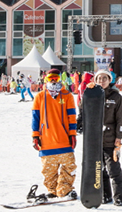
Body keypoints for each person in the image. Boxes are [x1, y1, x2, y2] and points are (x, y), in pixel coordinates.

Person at [31, 69, 78, 200]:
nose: (53, 80)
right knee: (48, 170)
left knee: (69, 166)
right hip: (46, 140)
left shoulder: (67, 95)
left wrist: (72, 134)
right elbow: (35, 117)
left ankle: (64, 190)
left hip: (64, 140)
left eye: (56, 78)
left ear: (59, 79)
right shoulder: (40, 96)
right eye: (51, 78)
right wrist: (35, 136)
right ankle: (52, 190)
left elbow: (72, 116)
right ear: (46, 79)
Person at [91, 70, 122, 206]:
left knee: (113, 170)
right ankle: (105, 195)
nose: (101, 81)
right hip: (94, 141)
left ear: (109, 80)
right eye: (99, 78)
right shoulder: (91, 95)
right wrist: (86, 93)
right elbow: (83, 110)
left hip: (110, 140)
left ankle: (119, 196)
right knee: (99, 171)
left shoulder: (116, 97)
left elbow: (121, 119)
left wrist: (119, 137)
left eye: (104, 78)